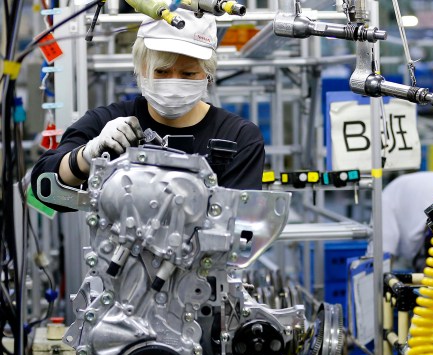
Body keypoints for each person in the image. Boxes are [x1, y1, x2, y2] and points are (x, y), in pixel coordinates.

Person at [31, 9, 264, 211]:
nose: (173, 83)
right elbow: (43, 186)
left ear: (208, 74)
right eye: (161, 71)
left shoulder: (237, 137)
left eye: (188, 74)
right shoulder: (108, 123)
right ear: (141, 69)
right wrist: (87, 155)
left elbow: (240, 228)